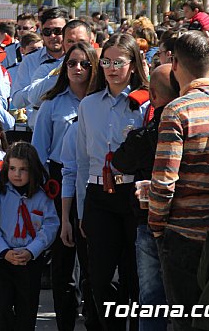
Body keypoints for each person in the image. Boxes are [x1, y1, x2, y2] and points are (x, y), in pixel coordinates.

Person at [149, 31, 209, 330]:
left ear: (175, 65)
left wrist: (156, 226)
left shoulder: (176, 110)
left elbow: (165, 180)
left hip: (184, 235)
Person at [76, 34, 150, 330]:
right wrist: (81, 210)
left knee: (136, 277)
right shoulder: (89, 104)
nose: (111, 67)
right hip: (98, 195)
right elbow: (81, 162)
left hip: (134, 194)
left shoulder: (146, 104)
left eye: (119, 61)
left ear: (133, 65)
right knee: (100, 277)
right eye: (106, 61)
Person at [32, 42, 99, 331]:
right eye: (71, 63)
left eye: (84, 63)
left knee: (94, 264)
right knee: (62, 265)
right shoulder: (53, 103)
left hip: (96, 182)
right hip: (59, 183)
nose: (77, 69)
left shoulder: (100, 100)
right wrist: (46, 195)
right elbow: (38, 152)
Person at [112, 64, 177, 331]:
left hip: (151, 220)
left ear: (154, 95)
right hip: (188, 220)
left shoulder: (148, 133)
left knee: (151, 296)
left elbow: (121, 161)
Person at [0, 141, 59, 330]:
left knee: (27, 310)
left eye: (23, 169)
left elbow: (50, 225)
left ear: (33, 170)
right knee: (1, 308)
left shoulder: (42, 197)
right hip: (2, 260)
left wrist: (31, 250)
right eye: (12, 168)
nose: (17, 174)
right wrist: (3, 251)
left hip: (30, 261)